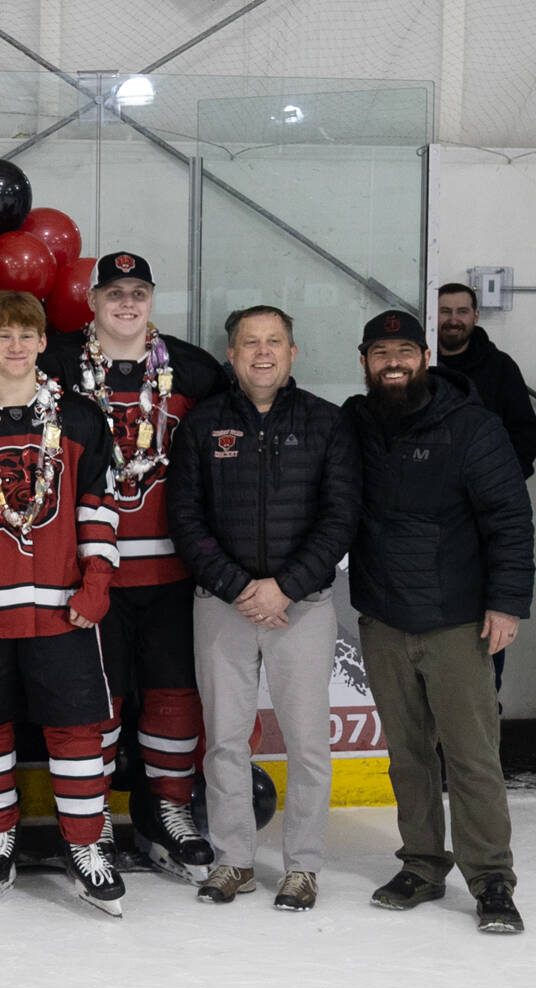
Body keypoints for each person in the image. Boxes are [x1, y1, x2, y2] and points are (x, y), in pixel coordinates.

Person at [0, 290, 124, 916]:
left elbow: (98, 505)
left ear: (43, 342)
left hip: (62, 611)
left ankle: (85, 845)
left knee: (76, 729)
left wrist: (96, 583)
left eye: (26, 335)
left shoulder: (81, 417)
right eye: (2, 335)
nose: (15, 346)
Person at [345, 309, 533, 933]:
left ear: (425, 358)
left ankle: (492, 879)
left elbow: (510, 519)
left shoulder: (472, 427)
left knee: (472, 756)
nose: (393, 363)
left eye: (404, 351)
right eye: (380, 354)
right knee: (408, 755)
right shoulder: (356, 422)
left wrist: (506, 603)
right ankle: (422, 865)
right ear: (364, 362)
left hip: (458, 621)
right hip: (384, 618)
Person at [169, 305, 359, 911]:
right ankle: (234, 861)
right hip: (221, 604)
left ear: (292, 352)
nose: (262, 352)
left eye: (274, 341)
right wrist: (239, 588)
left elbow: (341, 517)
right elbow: (185, 518)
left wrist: (285, 588)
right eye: (249, 342)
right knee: (225, 740)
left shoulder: (326, 422)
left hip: (302, 606)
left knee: (307, 743)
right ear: (231, 355)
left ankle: (302, 867)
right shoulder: (202, 425)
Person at [52, 253, 224, 882]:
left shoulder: (195, 369)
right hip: (90, 574)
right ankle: (92, 818)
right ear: (92, 299)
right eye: (114, 292)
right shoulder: (54, 363)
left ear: (152, 298)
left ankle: (168, 812)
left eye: (139, 292)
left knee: (174, 697)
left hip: (173, 573)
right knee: (99, 701)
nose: (127, 303)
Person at [436, 283, 536, 479]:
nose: (453, 320)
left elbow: (525, 431)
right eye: (445, 311)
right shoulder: (417, 365)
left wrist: (503, 478)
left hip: (487, 485)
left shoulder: (501, 367)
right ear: (431, 314)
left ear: (475, 316)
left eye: (462, 311)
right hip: (429, 485)